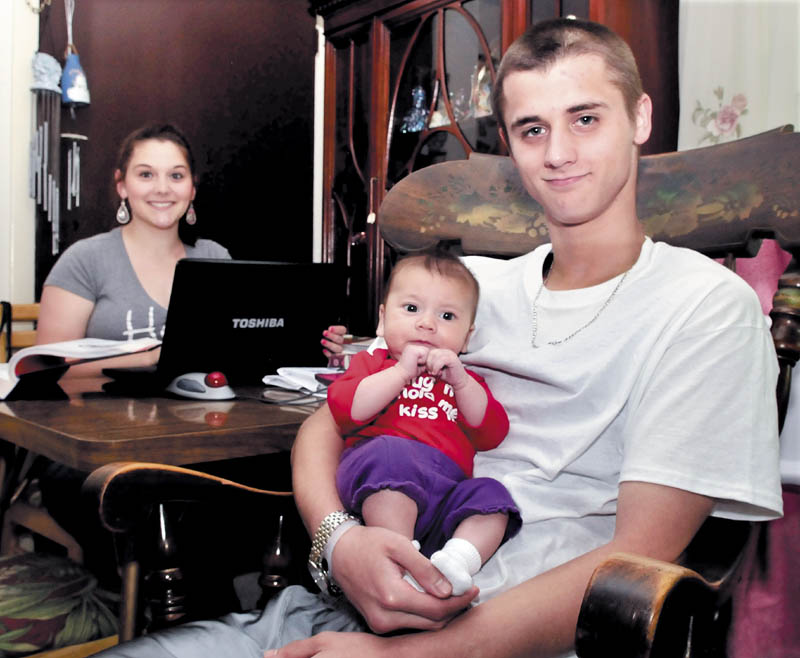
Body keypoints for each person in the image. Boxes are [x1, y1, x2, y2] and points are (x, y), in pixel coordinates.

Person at [94, 17, 782, 658]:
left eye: (585, 119)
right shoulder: (463, 292)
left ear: (639, 118)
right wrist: (340, 541)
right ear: (508, 144)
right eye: (532, 128)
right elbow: (327, 424)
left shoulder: (704, 309)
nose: (560, 153)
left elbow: (639, 561)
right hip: (349, 599)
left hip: (509, 633)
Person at [327, 250, 520, 595]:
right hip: (382, 478)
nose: (427, 324)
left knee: (494, 497)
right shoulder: (374, 363)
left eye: (447, 316)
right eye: (412, 309)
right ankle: (397, 556)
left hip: (444, 489)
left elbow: (492, 433)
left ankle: (457, 561)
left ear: (467, 336)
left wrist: (461, 382)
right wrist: (400, 372)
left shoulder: (465, 381)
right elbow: (348, 410)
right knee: (389, 457)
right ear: (383, 320)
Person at [37, 122, 231, 377]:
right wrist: (149, 358)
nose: (162, 188)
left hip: (204, 414)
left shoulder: (214, 257)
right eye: (146, 175)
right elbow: (45, 372)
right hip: (101, 416)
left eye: (176, 176)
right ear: (122, 185)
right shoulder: (84, 260)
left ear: (192, 189)